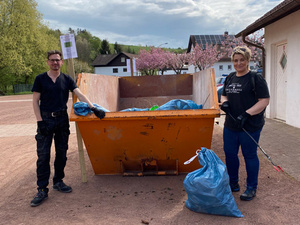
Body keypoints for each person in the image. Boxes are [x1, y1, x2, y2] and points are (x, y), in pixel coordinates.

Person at [30, 50, 105, 207]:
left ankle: (58, 181)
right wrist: (39, 122)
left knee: (62, 153)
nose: (55, 62)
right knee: (43, 156)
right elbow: (35, 101)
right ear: (48, 62)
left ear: (62, 62)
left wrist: (93, 108)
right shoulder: (40, 79)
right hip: (46, 120)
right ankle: (42, 189)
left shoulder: (67, 79)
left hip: (62, 120)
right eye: (52, 60)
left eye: (57, 60)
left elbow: (79, 94)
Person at [220, 46, 270, 201]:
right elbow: (224, 96)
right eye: (235, 60)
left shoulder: (255, 78)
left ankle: (251, 188)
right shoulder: (230, 78)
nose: (238, 63)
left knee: (249, 155)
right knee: (230, 155)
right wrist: (225, 103)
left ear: (248, 60)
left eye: (242, 60)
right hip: (231, 125)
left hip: (250, 125)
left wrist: (247, 114)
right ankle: (233, 183)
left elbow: (264, 101)